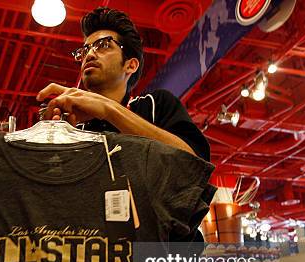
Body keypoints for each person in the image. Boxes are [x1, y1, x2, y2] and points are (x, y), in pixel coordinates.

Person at [37, 7, 210, 161]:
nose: (89, 55)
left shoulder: (155, 105)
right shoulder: (73, 124)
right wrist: (51, 138)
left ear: (130, 65)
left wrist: (108, 109)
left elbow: (196, 165)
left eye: (103, 45)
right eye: (85, 50)